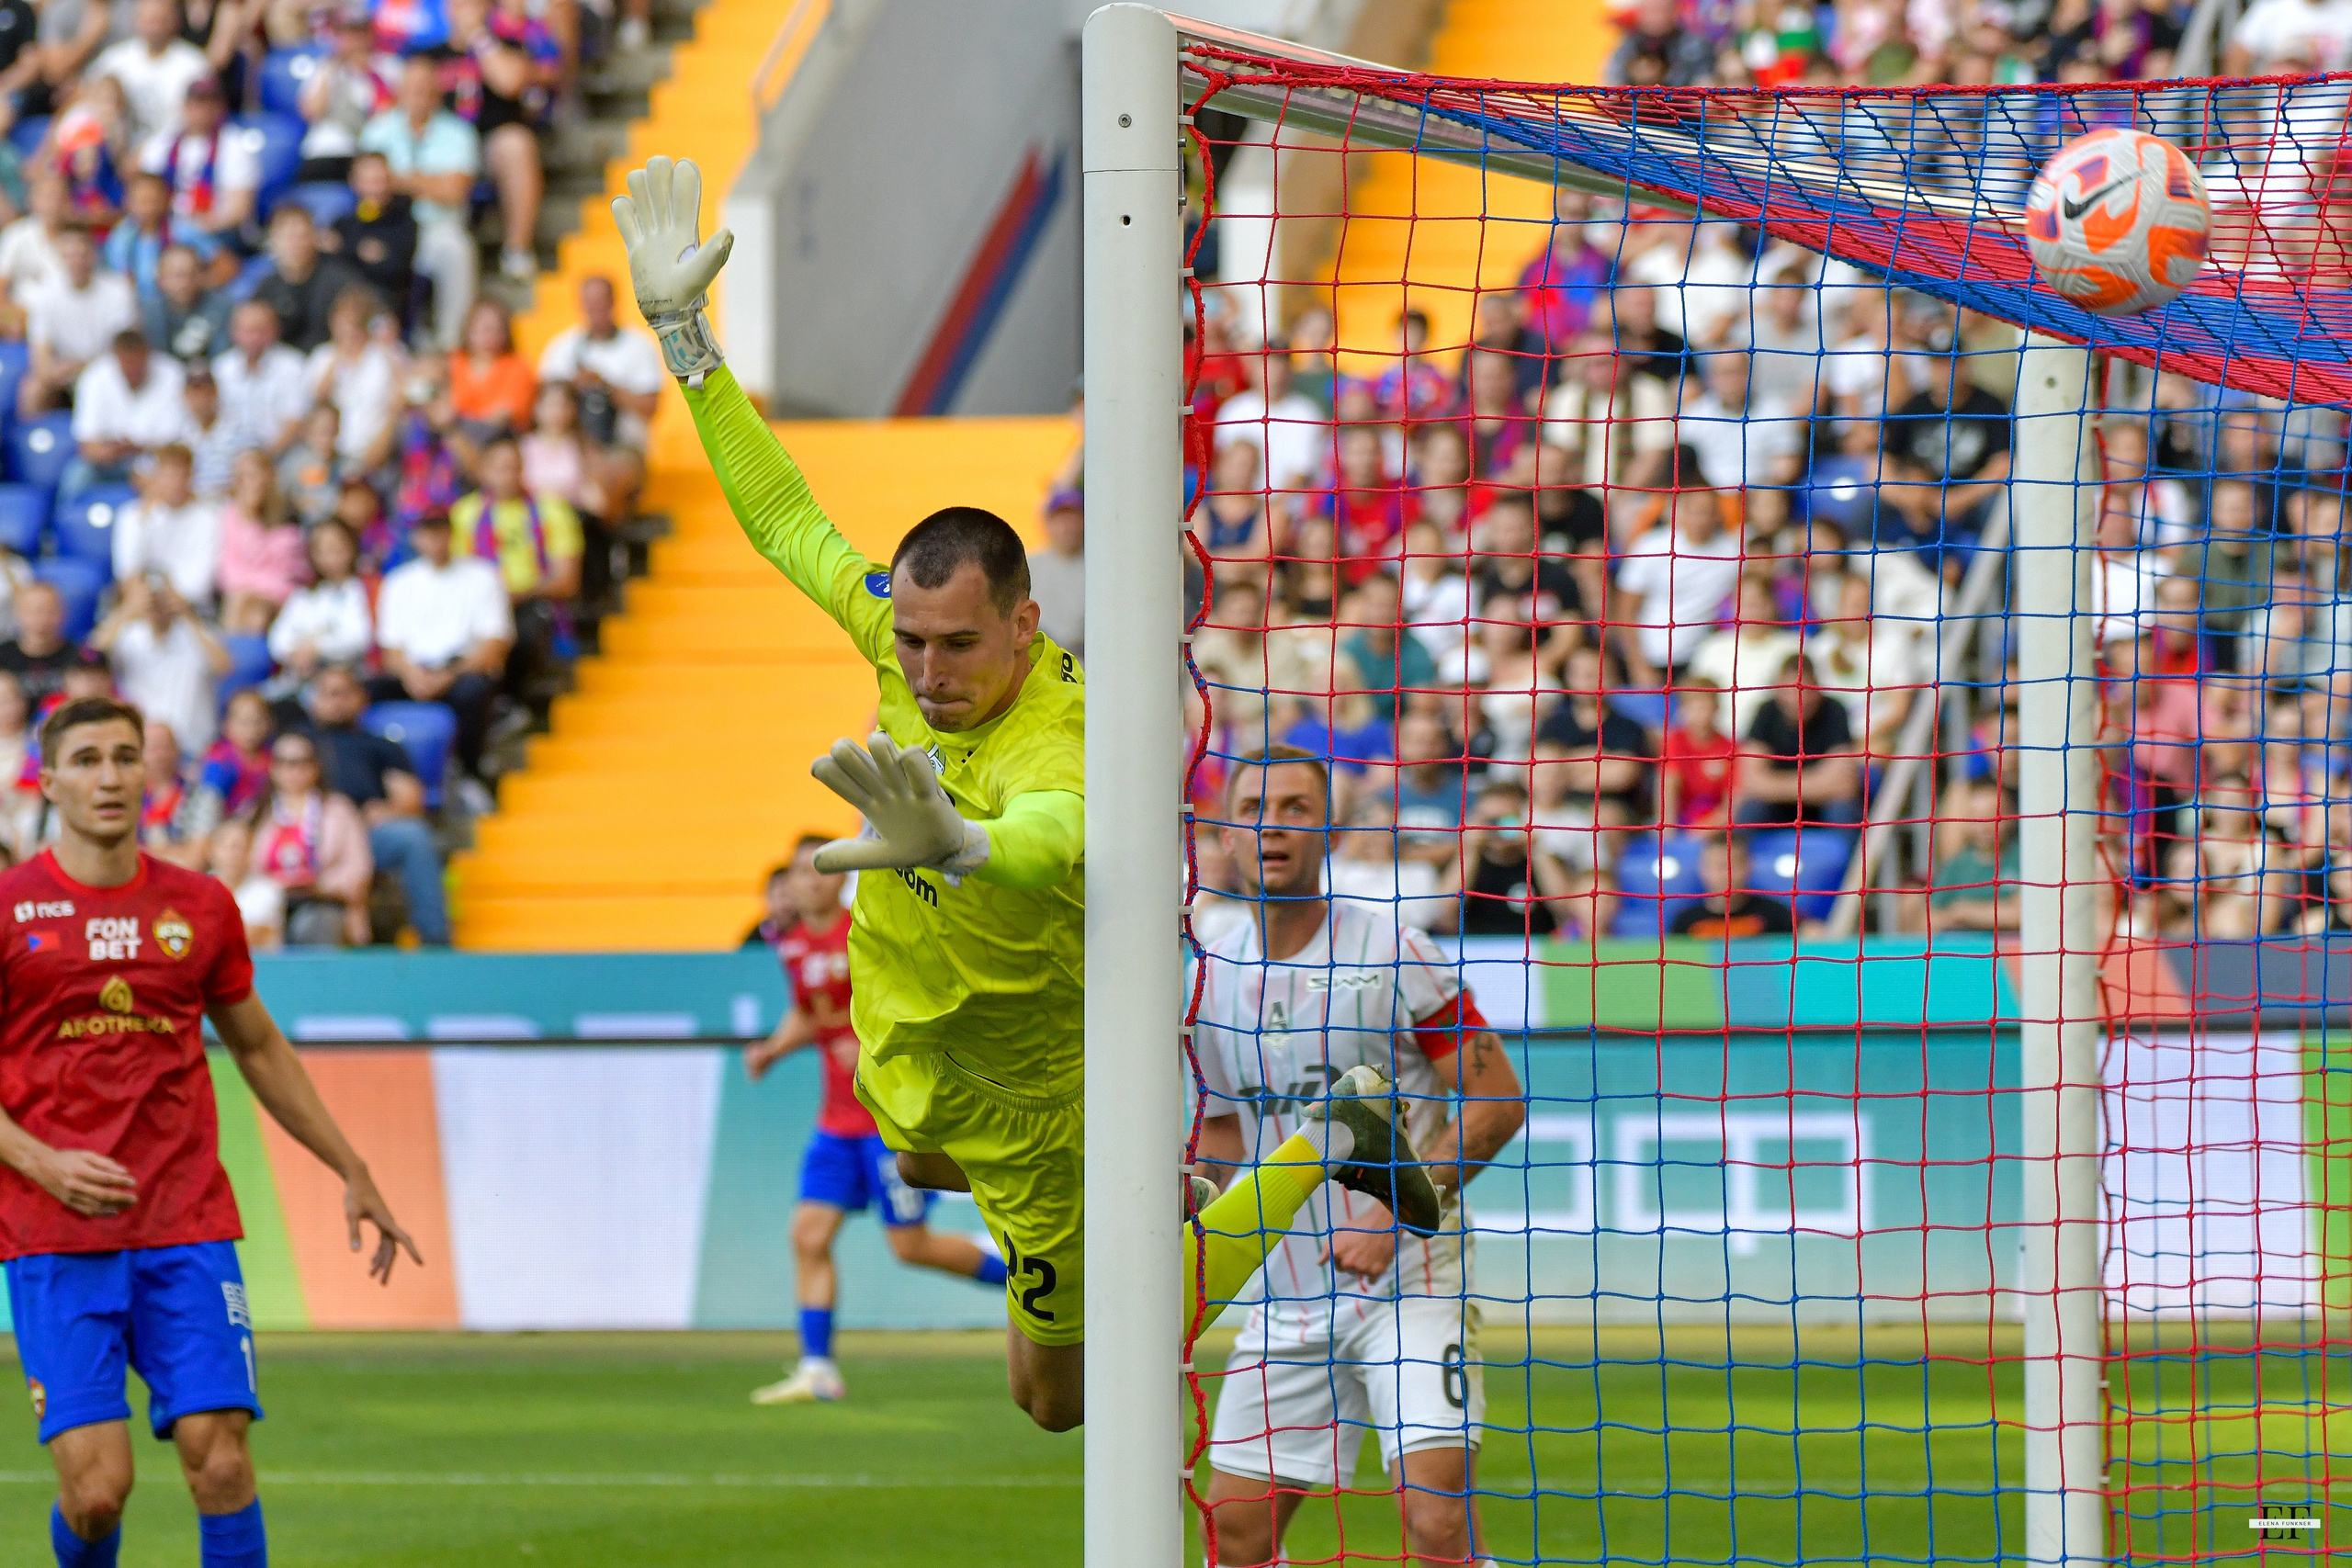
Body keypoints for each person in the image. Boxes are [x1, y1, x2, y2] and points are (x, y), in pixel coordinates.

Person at [628, 154, 1442, 1433]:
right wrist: (687, 344)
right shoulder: (904, 633)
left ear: (1022, 620)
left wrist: (956, 839)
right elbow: (787, 521)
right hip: (929, 1048)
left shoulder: (1068, 734)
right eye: (910, 643)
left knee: (1057, 1397)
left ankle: (1322, 1146)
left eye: (958, 646)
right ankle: (1199, 1185)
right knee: (911, 1155)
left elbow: (1058, 831)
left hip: (1035, 1085)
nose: (929, 671)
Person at [0, 694, 418, 1568]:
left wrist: (352, 1164)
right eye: (85, 759)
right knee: (96, 1492)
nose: (108, 776)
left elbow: (259, 1045)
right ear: (48, 780)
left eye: (123, 756)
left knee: (221, 1459)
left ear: (147, 775)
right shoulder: (10, 910)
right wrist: (42, 1162)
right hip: (52, 1234)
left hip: (186, 1225)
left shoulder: (199, 905)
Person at [1194, 747, 1525, 1568]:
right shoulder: (1209, 977)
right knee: (1233, 1535)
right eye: (1257, 806)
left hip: (1408, 1279)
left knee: (1436, 1520)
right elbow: (1229, 1138)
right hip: (1285, 1293)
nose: (1275, 823)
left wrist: (1393, 1212)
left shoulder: (1392, 949)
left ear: (1330, 827)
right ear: (1229, 831)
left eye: (1299, 807)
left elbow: (1496, 1101)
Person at [744, 837, 1011, 1405]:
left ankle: (1031, 1284)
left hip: (884, 1119)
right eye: (795, 872)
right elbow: (808, 1012)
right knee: (808, 1235)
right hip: (835, 1124)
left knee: (911, 1247)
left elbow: (906, 1000)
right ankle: (817, 1368)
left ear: (840, 877)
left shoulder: (863, 930)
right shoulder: (792, 945)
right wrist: (773, 1048)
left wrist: (865, 1044)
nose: (805, 882)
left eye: (816, 870)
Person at [302, 662, 446, 944]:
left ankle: (435, 940)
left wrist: (388, 811)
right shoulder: (300, 744)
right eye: (328, 694)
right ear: (314, 700)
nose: (336, 701)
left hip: (366, 833)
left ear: (361, 699)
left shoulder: (380, 745)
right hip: (307, 832)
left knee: (412, 836)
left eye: (344, 693)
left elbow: (410, 799)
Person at [369, 508, 509, 785]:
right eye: (427, 532)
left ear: (452, 534)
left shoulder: (482, 576)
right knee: (367, 691)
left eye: (440, 531)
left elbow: (494, 643)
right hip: (413, 672)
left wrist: (449, 675)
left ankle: (471, 773)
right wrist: (412, 675)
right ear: (415, 537)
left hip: (461, 669)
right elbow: (390, 649)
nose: (435, 539)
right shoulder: (398, 582)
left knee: (473, 691)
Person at [357, 54, 479, 350]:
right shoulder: (377, 129)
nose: (419, 94)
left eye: (426, 87)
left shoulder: (459, 132)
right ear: (399, 90)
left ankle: (453, 343)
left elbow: (456, 190)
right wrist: (432, 181)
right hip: (387, 223)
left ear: (438, 91)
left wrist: (398, 179)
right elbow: (368, 184)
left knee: (456, 250)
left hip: (436, 225)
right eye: (412, 87)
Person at [534, 273, 660, 517]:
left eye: (602, 301)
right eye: (590, 302)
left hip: (620, 445)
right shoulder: (562, 348)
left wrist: (606, 386)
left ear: (615, 302)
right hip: (567, 443)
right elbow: (542, 402)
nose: (596, 309)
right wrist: (574, 386)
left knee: (606, 475)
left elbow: (650, 408)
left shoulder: (638, 346)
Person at [245, 725, 371, 945]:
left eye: (301, 762)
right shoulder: (256, 814)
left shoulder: (339, 809)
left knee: (315, 924)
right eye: (284, 763)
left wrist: (319, 886)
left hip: (324, 901)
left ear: (315, 767)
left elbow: (358, 869)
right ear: (273, 768)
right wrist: (275, 886)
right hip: (270, 905)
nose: (293, 771)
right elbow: (240, 865)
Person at [88, 571, 229, 753]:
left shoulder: (196, 633)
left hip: (196, 747)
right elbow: (90, 655)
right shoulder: (127, 636)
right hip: (145, 746)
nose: (155, 601)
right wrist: (128, 610)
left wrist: (187, 613)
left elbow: (224, 666)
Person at [19, 227, 138, 419]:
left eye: (83, 255)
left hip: (108, 372)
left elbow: (125, 350)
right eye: (70, 255)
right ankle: (36, 442)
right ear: (60, 258)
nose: (77, 262)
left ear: (95, 255)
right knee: (33, 389)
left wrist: (81, 366)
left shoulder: (118, 291)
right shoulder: (44, 294)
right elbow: (40, 355)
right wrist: (53, 372)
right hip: (63, 376)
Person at [137, 74, 254, 258]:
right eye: (197, 103)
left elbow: (239, 209)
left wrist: (196, 227)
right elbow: (143, 193)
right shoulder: (161, 144)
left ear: (219, 108)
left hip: (215, 233)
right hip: (164, 227)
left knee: (185, 237)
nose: (202, 110)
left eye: (210, 103)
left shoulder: (234, 145)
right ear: (184, 106)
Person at [66, 328, 186, 499]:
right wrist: (111, 451)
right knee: (77, 474)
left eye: (137, 363)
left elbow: (174, 442)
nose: (132, 370)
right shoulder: (95, 377)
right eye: (126, 364)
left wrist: (136, 446)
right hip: (108, 462)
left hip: (154, 460)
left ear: (148, 355)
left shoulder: (172, 374)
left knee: (169, 476)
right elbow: (87, 444)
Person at [109, 443, 219, 606]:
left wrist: (171, 598)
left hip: (189, 607)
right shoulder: (131, 516)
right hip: (143, 603)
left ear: (190, 476)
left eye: (180, 474)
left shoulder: (209, 519)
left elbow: (201, 581)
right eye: (167, 474)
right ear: (156, 475)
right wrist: (143, 519)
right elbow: (127, 571)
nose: (174, 482)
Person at [247, 203, 363, 355]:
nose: (295, 244)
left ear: (315, 238)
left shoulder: (341, 282)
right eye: (288, 237)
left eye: (302, 236)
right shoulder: (266, 288)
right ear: (273, 241)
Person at [92, 0, 209, 148]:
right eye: (149, 20)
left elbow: (200, 118)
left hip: (172, 155)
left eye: (159, 20)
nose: (154, 28)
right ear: (136, 20)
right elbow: (86, 98)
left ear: (175, 20)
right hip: (117, 151)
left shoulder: (194, 64)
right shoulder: (114, 60)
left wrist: (148, 153)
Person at [320, 150, 415, 323]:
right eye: (371, 182)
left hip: (381, 302)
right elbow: (327, 257)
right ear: (355, 183)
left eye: (382, 180)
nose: (378, 189)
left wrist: (344, 248)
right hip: (339, 298)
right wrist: (360, 251)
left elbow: (393, 269)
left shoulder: (403, 220)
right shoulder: (343, 221)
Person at [210, 299, 310, 455]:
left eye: (261, 331)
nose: (254, 338)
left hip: (282, 454)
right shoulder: (221, 369)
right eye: (248, 331)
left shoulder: (293, 366)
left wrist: (265, 459)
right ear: (234, 332)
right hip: (230, 456)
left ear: (275, 331)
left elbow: (295, 421)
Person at [1669, 833, 1798, 937]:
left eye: (1733, 866)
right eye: (1719, 866)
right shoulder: (1685, 921)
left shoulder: (1775, 915)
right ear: (1703, 869)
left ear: (1748, 867)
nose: (1726, 874)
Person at [0, 582, 80, 708]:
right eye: (35, 611)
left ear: (63, 613)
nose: (42, 618)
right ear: (18, 613)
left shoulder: (80, 657)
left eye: (49, 611)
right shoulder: (3, 656)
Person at [1027, 488, 1082, 659]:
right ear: (1048, 524)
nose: (1067, 527)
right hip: (1042, 662)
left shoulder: (1102, 569)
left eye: (1073, 519)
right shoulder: (1029, 566)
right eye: (1060, 519)